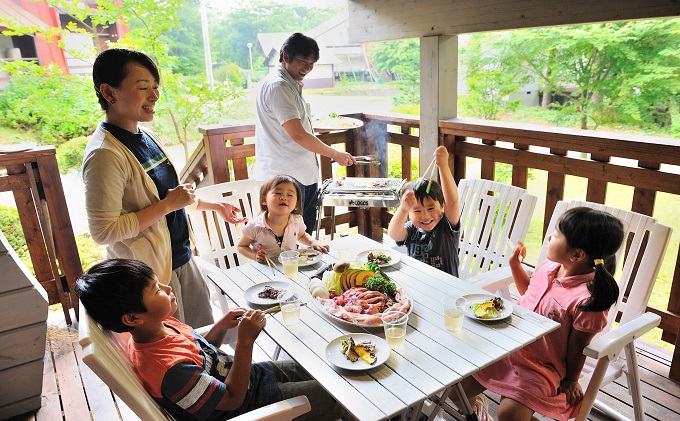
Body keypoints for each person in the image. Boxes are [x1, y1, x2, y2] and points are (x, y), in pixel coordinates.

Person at [83, 48, 245, 328]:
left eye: (155, 87)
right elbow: (103, 231)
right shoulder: (105, 154)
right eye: (143, 87)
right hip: (150, 277)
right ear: (109, 92)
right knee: (177, 350)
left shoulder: (146, 135)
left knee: (202, 339)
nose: (154, 96)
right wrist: (168, 205)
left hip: (181, 257)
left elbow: (171, 198)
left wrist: (214, 206)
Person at [75, 258, 348, 421]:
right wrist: (244, 342)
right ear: (133, 319)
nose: (168, 288)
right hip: (251, 405)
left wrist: (218, 328)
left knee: (324, 366)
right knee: (343, 396)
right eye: (156, 289)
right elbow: (231, 400)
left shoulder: (159, 327)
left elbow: (201, 357)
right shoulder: (169, 371)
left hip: (251, 379)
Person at [452, 207, 625, 421]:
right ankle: (478, 410)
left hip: (542, 365)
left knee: (510, 414)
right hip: (509, 346)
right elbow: (531, 294)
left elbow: (578, 347)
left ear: (577, 255)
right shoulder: (549, 267)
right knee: (455, 389)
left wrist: (571, 379)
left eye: (557, 234)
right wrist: (515, 266)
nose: (549, 236)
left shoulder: (588, 300)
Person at [254, 32, 357, 235]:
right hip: (287, 177)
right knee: (287, 239)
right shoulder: (279, 86)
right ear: (285, 56)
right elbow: (298, 135)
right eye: (302, 61)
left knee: (303, 235)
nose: (307, 68)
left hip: (301, 173)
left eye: (311, 63)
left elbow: (295, 127)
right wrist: (335, 154)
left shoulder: (289, 83)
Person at [387, 145, 461, 276]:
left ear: (442, 207)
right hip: (419, 286)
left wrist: (443, 166)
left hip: (447, 288)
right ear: (409, 214)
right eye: (417, 211)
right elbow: (393, 234)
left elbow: (453, 202)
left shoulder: (446, 226)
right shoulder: (411, 230)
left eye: (431, 208)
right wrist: (402, 209)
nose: (425, 216)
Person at [237, 175, 329, 263]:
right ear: (264, 200)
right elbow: (241, 246)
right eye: (278, 193)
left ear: (296, 204)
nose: (284, 197)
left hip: (290, 265)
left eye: (290, 195)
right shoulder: (255, 226)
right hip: (265, 268)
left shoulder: (297, 220)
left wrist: (312, 242)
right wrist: (255, 256)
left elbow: (301, 235)